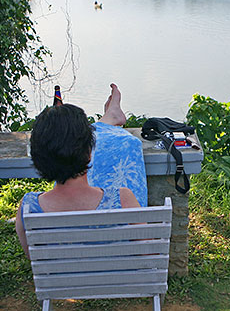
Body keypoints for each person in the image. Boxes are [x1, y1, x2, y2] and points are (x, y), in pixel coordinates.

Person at [15, 84, 145, 257]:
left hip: (60, 284)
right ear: (90, 153)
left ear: (37, 159)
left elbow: (33, 257)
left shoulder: (29, 208)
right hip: (120, 283)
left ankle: (109, 118)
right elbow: (148, 255)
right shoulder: (123, 200)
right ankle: (108, 119)